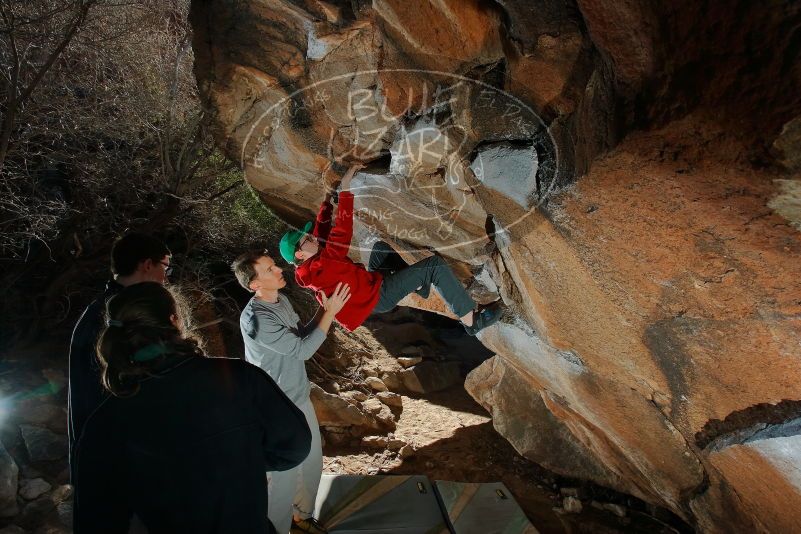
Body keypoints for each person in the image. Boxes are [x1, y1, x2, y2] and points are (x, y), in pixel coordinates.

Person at [72, 282, 311, 534]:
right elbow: (295, 446)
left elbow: (95, 519)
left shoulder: (104, 422)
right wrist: (241, 458)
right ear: (175, 321)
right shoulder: (239, 379)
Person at [279, 163, 501, 335]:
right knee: (435, 266)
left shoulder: (311, 262)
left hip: (369, 283)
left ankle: (420, 287)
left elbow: (321, 233)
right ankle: (471, 321)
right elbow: (342, 231)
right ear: (300, 254)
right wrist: (346, 188)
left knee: (380, 250)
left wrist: (327, 202)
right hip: (378, 297)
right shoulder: (322, 266)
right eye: (305, 239)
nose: (310, 237)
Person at [232, 251, 351, 534]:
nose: (278, 270)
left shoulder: (281, 300)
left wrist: (324, 310)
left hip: (297, 396)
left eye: (274, 265)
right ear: (254, 284)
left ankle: (302, 517)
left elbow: (300, 336)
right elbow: (303, 350)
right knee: (282, 480)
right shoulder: (256, 320)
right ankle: (277, 529)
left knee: (311, 462)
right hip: (273, 408)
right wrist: (330, 313)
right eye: (269, 269)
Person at [67, 232, 171, 480]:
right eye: (166, 267)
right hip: (118, 457)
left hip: (97, 450)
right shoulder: (123, 317)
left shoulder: (98, 310)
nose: (166, 278)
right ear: (147, 265)